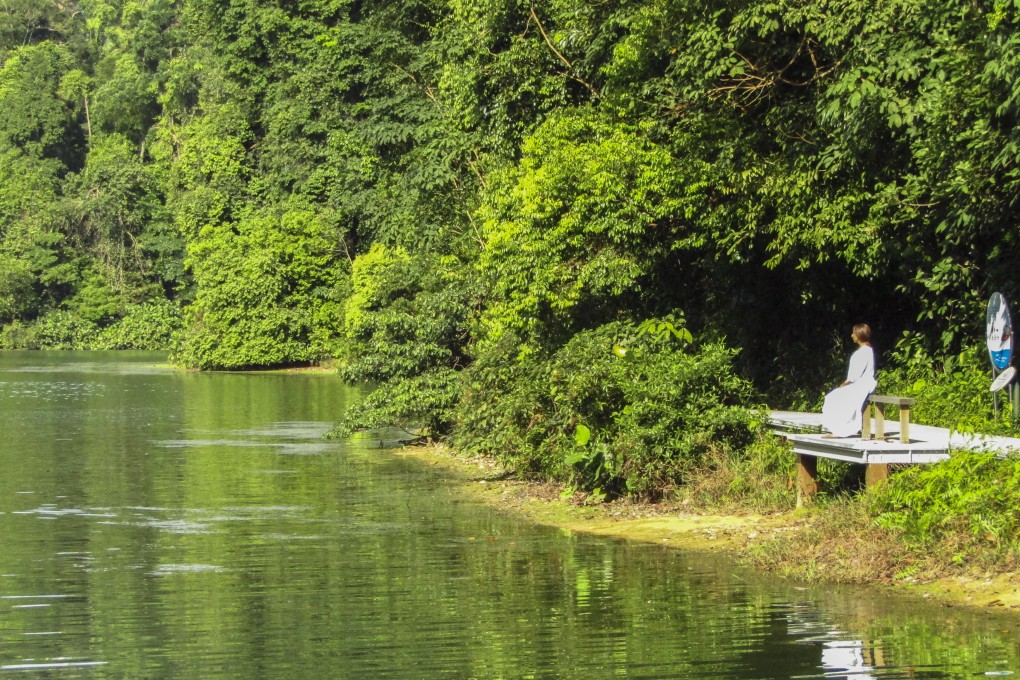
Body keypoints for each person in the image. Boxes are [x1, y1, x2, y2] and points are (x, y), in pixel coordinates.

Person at [821, 324, 877, 438]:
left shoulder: (864, 351)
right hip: (861, 383)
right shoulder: (866, 350)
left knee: (834, 397)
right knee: (833, 396)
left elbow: (854, 376)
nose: (852, 335)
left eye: (854, 333)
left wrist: (845, 384)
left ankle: (841, 430)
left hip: (861, 384)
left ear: (859, 335)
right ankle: (837, 428)